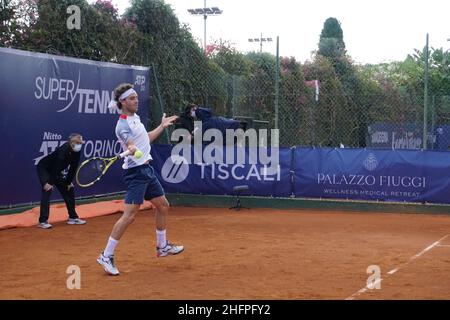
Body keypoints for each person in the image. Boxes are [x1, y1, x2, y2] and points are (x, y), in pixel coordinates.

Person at [97, 83, 184, 276]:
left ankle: (162, 247)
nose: (137, 100)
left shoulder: (135, 119)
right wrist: (132, 149)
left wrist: (161, 126)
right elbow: (130, 144)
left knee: (163, 205)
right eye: (132, 98)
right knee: (129, 216)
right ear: (123, 102)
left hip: (146, 169)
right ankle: (106, 255)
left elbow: (146, 140)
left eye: (136, 97)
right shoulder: (122, 124)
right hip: (136, 173)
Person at [36, 133, 87, 229]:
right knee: (48, 189)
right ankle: (42, 221)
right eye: (77, 142)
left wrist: (68, 182)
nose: (79, 144)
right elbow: (56, 167)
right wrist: (50, 183)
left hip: (56, 171)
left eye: (81, 143)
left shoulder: (77, 151)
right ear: (71, 143)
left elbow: (73, 167)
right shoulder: (63, 150)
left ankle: (73, 217)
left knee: (69, 189)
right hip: (44, 168)